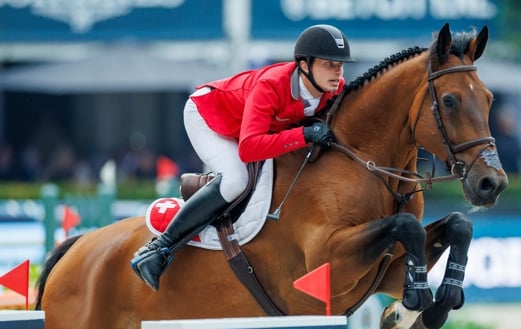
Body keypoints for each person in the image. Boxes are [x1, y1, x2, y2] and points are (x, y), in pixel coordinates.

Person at [131, 24, 356, 291]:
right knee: (235, 179)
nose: (338, 71)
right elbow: (249, 148)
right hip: (208, 117)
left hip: (245, 125)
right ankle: (159, 249)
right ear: (305, 65)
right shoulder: (272, 85)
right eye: (329, 64)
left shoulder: (335, 89)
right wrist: (304, 135)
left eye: (340, 64)